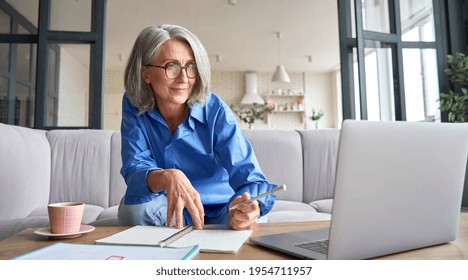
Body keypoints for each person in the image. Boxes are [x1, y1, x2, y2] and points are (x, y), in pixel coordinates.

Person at [118, 24, 276, 231]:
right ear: (145, 73)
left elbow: (249, 175)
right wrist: (167, 176)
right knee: (132, 211)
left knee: (255, 219)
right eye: (171, 66)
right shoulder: (133, 105)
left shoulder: (215, 109)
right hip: (171, 208)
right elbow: (135, 167)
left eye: (191, 67)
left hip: (223, 209)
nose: (184, 78)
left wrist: (252, 205)